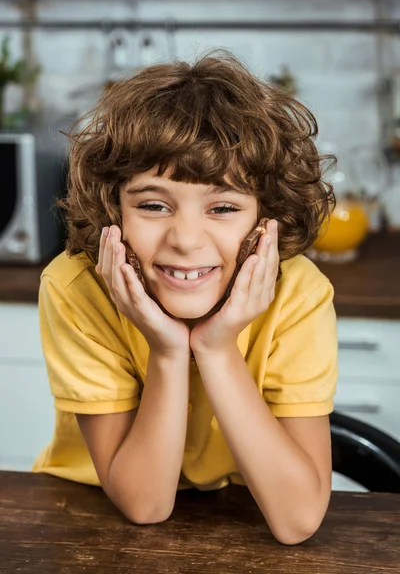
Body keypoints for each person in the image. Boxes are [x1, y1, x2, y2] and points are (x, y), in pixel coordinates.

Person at [33, 50, 338, 545]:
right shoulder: (77, 288)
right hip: (88, 511)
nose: (186, 240)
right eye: (154, 205)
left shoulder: (298, 293)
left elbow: (297, 519)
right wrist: (169, 350)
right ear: (113, 208)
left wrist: (216, 349)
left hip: (243, 503)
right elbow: (145, 505)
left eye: (222, 207)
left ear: (267, 218)